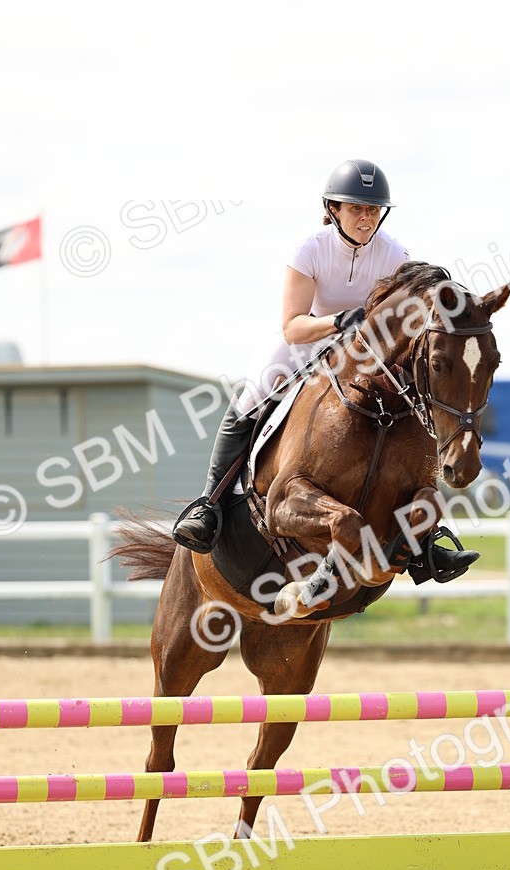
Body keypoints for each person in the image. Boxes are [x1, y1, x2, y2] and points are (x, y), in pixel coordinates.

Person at [172, 159, 477, 583]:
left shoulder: (395, 253)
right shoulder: (309, 249)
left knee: (414, 403)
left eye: (373, 209)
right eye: (357, 208)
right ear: (333, 209)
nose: (366, 217)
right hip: (309, 336)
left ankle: (426, 539)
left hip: (370, 351)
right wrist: (338, 323)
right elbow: (293, 325)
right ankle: (208, 505)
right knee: (253, 393)